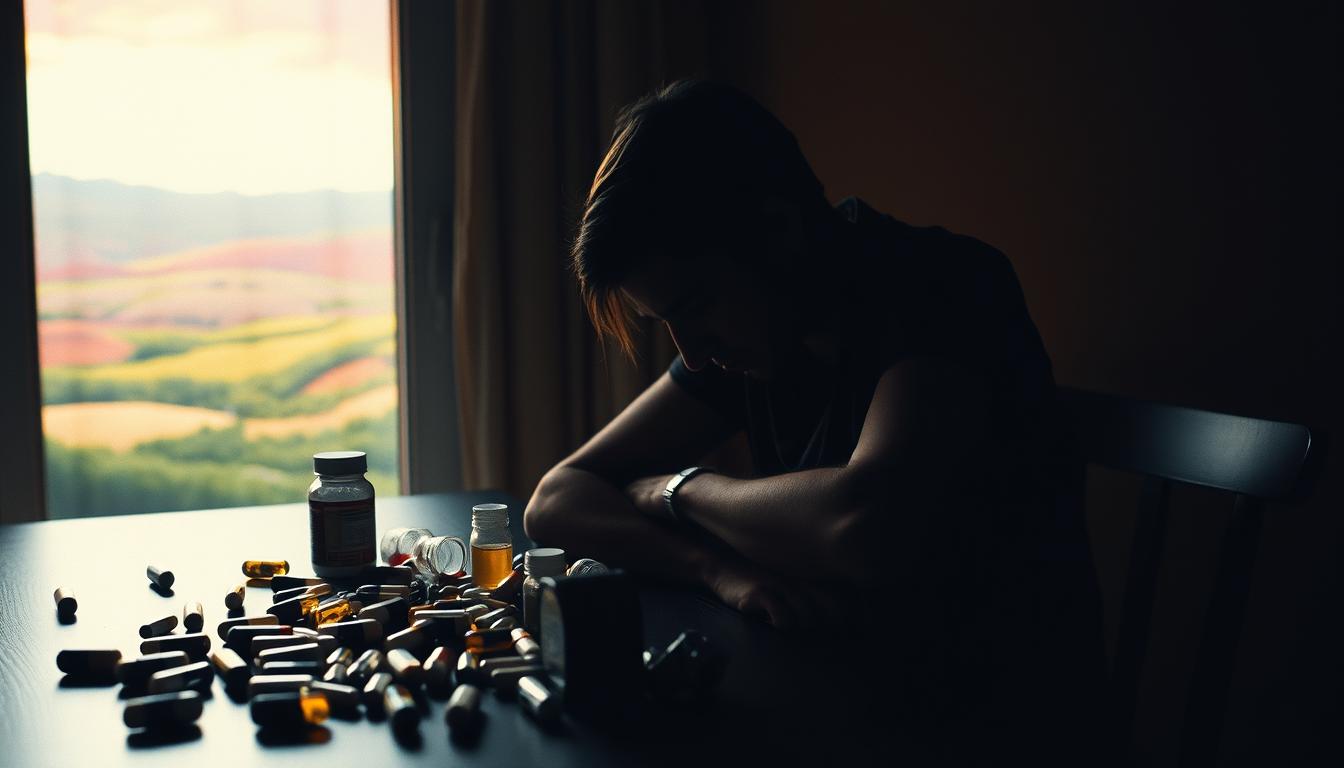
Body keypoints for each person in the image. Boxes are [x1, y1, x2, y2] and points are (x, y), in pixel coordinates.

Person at [524, 80, 1104, 758]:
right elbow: (557, 501)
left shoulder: (947, 287)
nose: (693, 353)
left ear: (778, 230)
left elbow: (865, 525)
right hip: (839, 710)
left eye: (696, 305)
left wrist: (678, 490)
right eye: (667, 323)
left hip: (999, 734)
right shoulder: (760, 329)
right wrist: (716, 571)